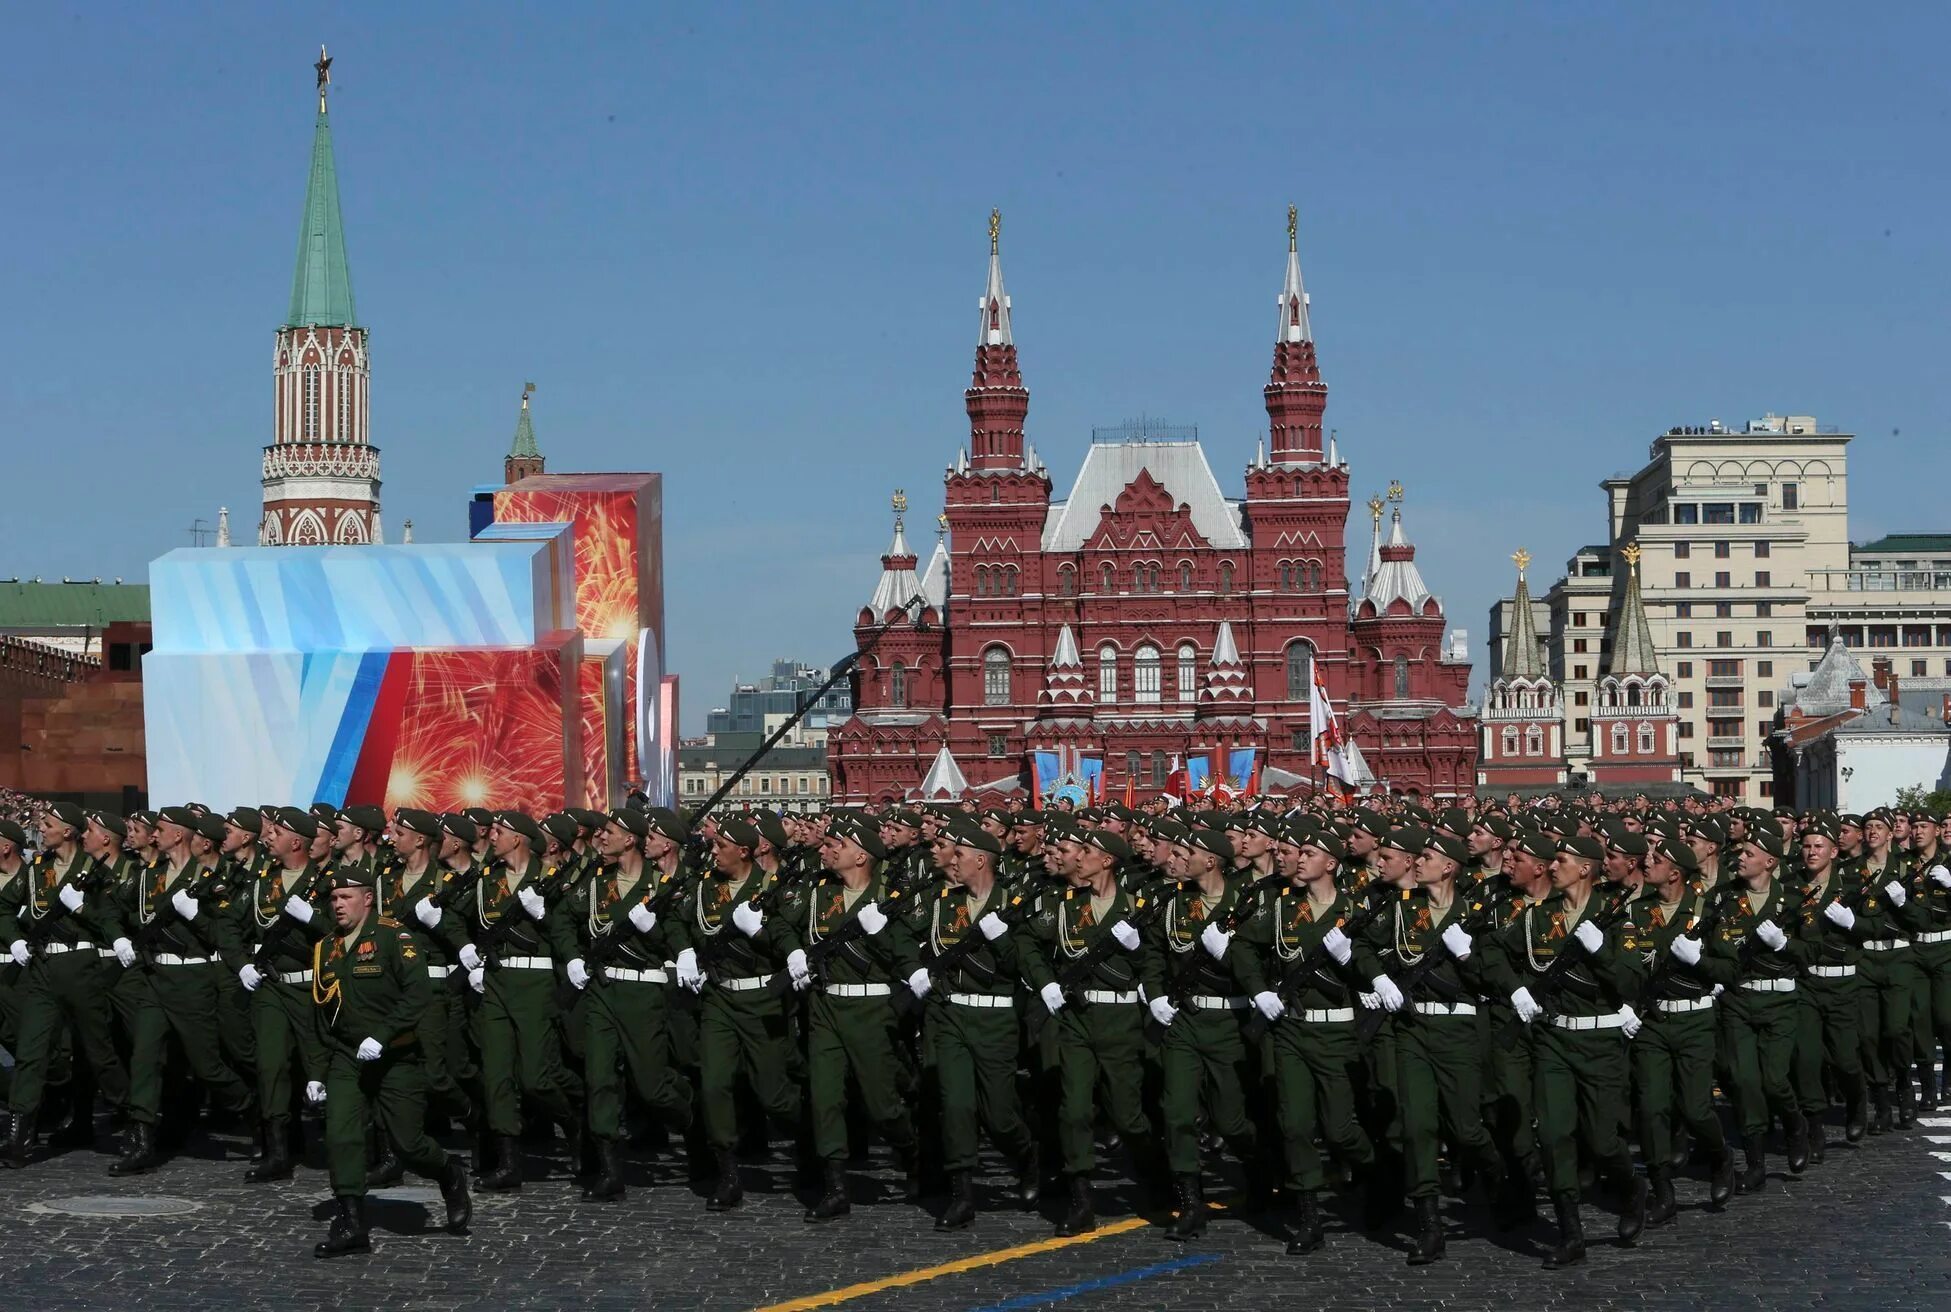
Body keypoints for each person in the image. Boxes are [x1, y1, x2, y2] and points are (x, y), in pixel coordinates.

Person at [1485, 834, 1648, 1268]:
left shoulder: (1619, 922)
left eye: (1561, 860)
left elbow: (1631, 985)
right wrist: (1516, 987)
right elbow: (1493, 952)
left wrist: (1601, 954)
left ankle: (1633, 1188)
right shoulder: (1538, 917)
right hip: (1554, 1039)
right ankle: (1570, 1231)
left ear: (1586, 869)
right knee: (1555, 1135)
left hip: (1601, 1042)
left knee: (1602, 1139)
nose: (1552, 868)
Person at [310, 865, 470, 1258]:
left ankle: (448, 1173)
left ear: (368, 898)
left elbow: (418, 995)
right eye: (333, 899)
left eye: (345, 897)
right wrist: (316, 1072)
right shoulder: (325, 947)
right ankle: (351, 1222)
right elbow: (319, 1014)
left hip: (397, 1056)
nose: (338, 905)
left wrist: (382, 1036)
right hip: (348, 1057)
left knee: (408, 1144)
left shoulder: (394, 938)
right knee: (342, 1134)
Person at [788, 812, 921, 1223]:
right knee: (826, 1099)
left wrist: (881, 931)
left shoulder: (891, 898)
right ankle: (836, 1188)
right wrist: (792, 948)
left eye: (835, 845)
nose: (825, 850)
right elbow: (781, 922)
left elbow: (906, 955)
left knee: (882, 1106)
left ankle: (914, 1151)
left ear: (861, 857)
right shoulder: (817, 891)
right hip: (826, 1005)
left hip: (871, 1009)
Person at [441, 811, 582, 1191]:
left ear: (518, 839)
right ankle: (508, 1163)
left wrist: (547, 917)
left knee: (536, 1077)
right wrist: (465, 946)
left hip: (536, 981)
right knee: (497, 1074)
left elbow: (569, 928)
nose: (493, 837)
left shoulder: (552, 879)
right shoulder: (489, 879)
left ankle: (573, 1122)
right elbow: (453, 916)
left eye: (500, 832)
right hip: (496, 981)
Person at [910, 820, 1037, 1231]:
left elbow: (1025, 966)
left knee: (999, 1113)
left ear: (981, 859)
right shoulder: (943, 901)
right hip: (950, 1014)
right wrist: (913, 971)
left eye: (960, 853)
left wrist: (1002, 939)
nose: (953, 859)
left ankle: (1026, 1156)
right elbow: (903, 937)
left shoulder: (1015, 902)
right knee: (957, 1105)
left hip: (996, 1015)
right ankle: (962, 1193)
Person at [0, 801, 134, 1166]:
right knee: (30, 1051)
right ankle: (19, 1139)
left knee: (99, 1052)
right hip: (42, 968)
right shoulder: (36, 869)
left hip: (80, 966)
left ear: (69, 831)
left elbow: (109, 915)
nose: (41, 829)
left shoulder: (94, 869)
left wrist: (94, 921)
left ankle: (138, 1120)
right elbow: (4, 908)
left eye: (48, 824)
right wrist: (13, 938)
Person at [572, 807, 695, 1201]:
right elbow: (564, 919)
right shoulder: (595, 881)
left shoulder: (659, 887)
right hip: (603, 990)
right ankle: (610, 1170)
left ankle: (695, 1118)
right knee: (600, 1078)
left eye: (609, 832)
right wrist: (571, 954)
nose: (601, 838)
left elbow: (676, 935)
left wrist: (655, 928)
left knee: (652, 1086)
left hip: (644, 992)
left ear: (630, 839)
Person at [1627, 836, 1735, 1220]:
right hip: (1653, 1020)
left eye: (1656, 858)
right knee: (1652, 1107)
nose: (1647, 860)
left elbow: (1729, 969)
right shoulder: (1637, 912)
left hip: (1694, 1019)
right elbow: (1629, 966)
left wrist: (1701, 961)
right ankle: (1661, 1188)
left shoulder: (1707, 911)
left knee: (1695, 1107)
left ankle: (1721, 1156)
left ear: (1675, 873)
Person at [225, 807, 333, 1183]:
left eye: (278, 832)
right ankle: (277, 1152)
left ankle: (354, 1144)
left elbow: (346, 932)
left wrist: (314, 920)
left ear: (298, 842)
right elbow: (229, 926)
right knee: (271, 1066)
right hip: (271, 986)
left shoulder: (326, 882)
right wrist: (241, 964)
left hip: (312, 988)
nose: (268, 836)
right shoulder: (261, 883)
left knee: (320, 1067)